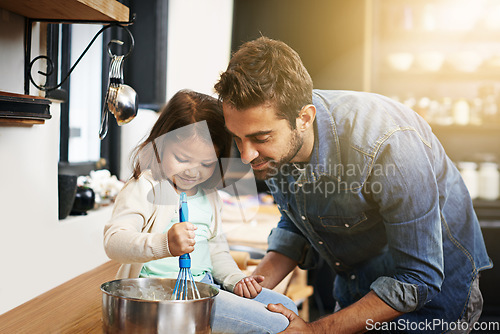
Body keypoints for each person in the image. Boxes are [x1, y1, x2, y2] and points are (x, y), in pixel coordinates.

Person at [214, 37, 493, 334]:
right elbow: (299, 220)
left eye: (260, 138)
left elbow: (418, 278)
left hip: (433, 298)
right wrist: (252, 291)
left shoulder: (390, 145)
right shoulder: (280, 136)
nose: (246, 155)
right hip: (359, 285)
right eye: (237, 137)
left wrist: (317, 330)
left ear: (304, 118)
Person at [103, 89, 298, 334]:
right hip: (160, 294)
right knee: (278, 324)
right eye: (183, 158)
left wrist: (235, 279)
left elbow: (216, 250)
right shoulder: (145, 187)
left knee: (287, 307)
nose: (193, 172)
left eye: (206, 163)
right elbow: (114, 242)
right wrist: (164, 244)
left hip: (203, 287)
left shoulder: (209, 196)